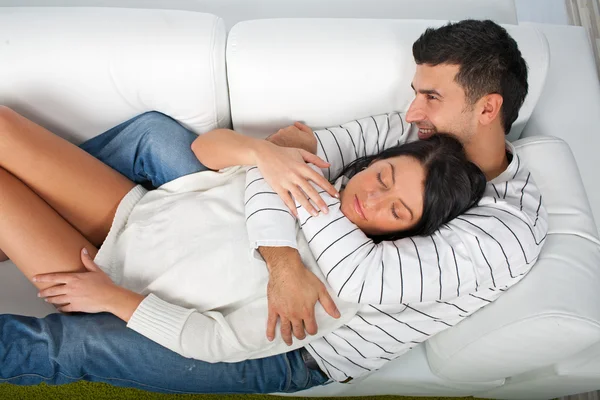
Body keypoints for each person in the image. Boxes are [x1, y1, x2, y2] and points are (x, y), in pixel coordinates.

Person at [0, 19, 548, 394]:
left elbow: (361, 280)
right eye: (415, 90)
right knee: (154, 136)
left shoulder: (506, 230)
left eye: (431, 97)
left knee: (74, 346)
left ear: (488, 107)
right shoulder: (414, 136)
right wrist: (281, 214)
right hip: (197, 234)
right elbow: (283, 162)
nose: (409, 110)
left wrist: (291, 179)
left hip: (298, 338)